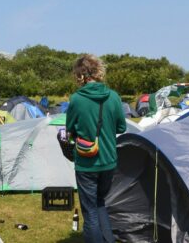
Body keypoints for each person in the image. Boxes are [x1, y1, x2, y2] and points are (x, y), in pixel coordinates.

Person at [66, 54, 126, 243]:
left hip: (86, 163)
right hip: (108, 161)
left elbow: (70, 130)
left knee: (90, 211)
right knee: (100, 203)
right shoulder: (114, 97)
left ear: (80, 75)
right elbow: (121, 127)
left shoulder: (76, 99)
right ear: (99, 71)